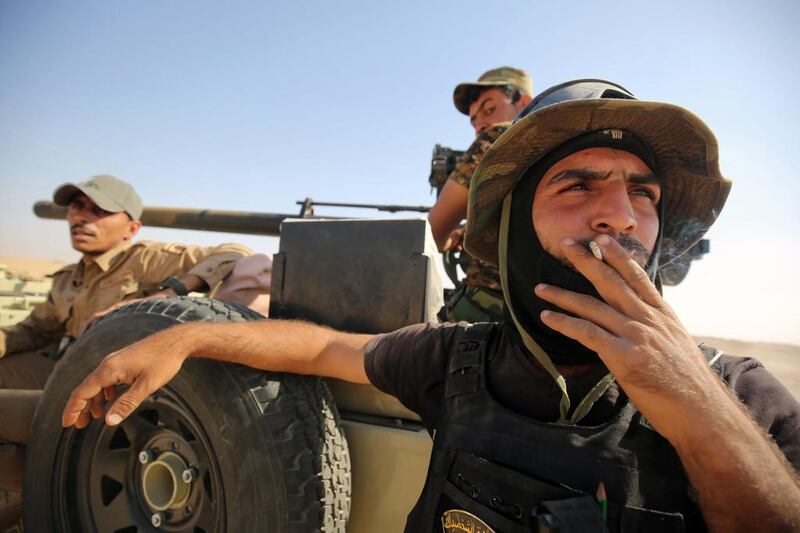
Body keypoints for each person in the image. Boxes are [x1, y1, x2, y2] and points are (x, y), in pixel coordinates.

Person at [63, 82, 800, 532]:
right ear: (512, 233)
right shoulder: (458, 359)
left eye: (644, 191)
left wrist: (696, 405)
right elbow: (323, 349)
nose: (621, 215)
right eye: (578, 186)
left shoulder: (745, 397)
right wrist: (188, 339)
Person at [0, 174, 254, 528]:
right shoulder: (69, 278)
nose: (82, 217)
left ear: (131, 228)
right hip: (67, 377)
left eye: (99, 209)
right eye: (77, 207)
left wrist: (168, 293)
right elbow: (35, 329)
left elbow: (234, 253)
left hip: (114, 399)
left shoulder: (143, 260)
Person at [428, 66, 532, 322]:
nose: (480, 124)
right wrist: (468, 232)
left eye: (489, 109)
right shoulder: (557, 142)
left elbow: (430, 235)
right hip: (541, 313)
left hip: (489, 307)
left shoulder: (497, 138)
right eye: (474, 119)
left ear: (523, 102)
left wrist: (445, 239)